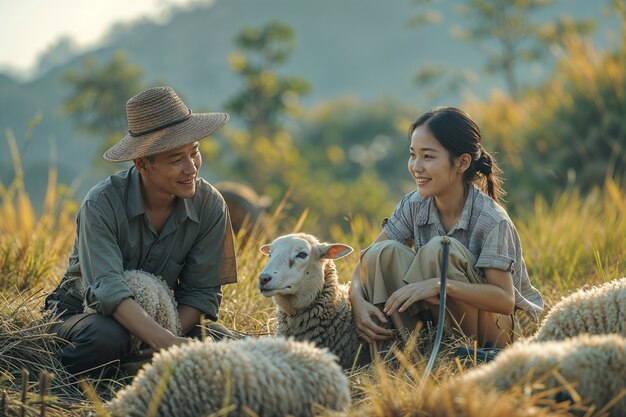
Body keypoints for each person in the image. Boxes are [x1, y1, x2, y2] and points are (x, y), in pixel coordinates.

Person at [44, 86, 239, 375]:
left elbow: (201, 293)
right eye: (176, 160)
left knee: (230, 347)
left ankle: (136, 365)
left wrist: (169, 338)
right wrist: (166, 343)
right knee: (106, 338)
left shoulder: (210, 206)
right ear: (143, 164)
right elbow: (107, 291)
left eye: (194, 153)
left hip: (167, 318)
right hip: (85, 312)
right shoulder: (101, 204)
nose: (192, 168)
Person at [350, 106, 543, 354]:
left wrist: (441, 286)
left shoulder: (492, 220)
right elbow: (367, 261)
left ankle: (463, 354)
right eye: (412, 155)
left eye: (428, 157)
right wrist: (356, 300)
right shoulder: (414, 205)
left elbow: (505, 301)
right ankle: (405, 351)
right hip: (439, 318)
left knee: (441, 250)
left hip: (495, 334)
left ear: (462, 162)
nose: (415, 167)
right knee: (383, 254)